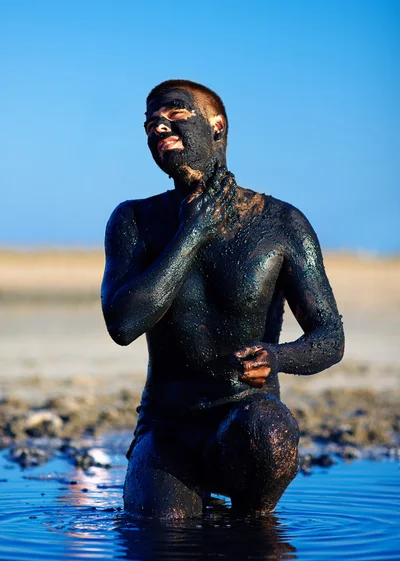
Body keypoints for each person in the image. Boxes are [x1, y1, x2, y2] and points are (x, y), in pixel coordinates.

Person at [101, 79, 344, 518]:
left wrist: (277, 357)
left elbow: (330, 335)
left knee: (264, 470)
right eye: (150, 123)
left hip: (247, 420)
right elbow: (122, 325)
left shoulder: (280, 222)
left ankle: (255, 519)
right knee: (163, 541)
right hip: (167, 429)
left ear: (217, 126)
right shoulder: (134, 220)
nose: (159, 127)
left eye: (174, 115)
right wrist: (192, 232)